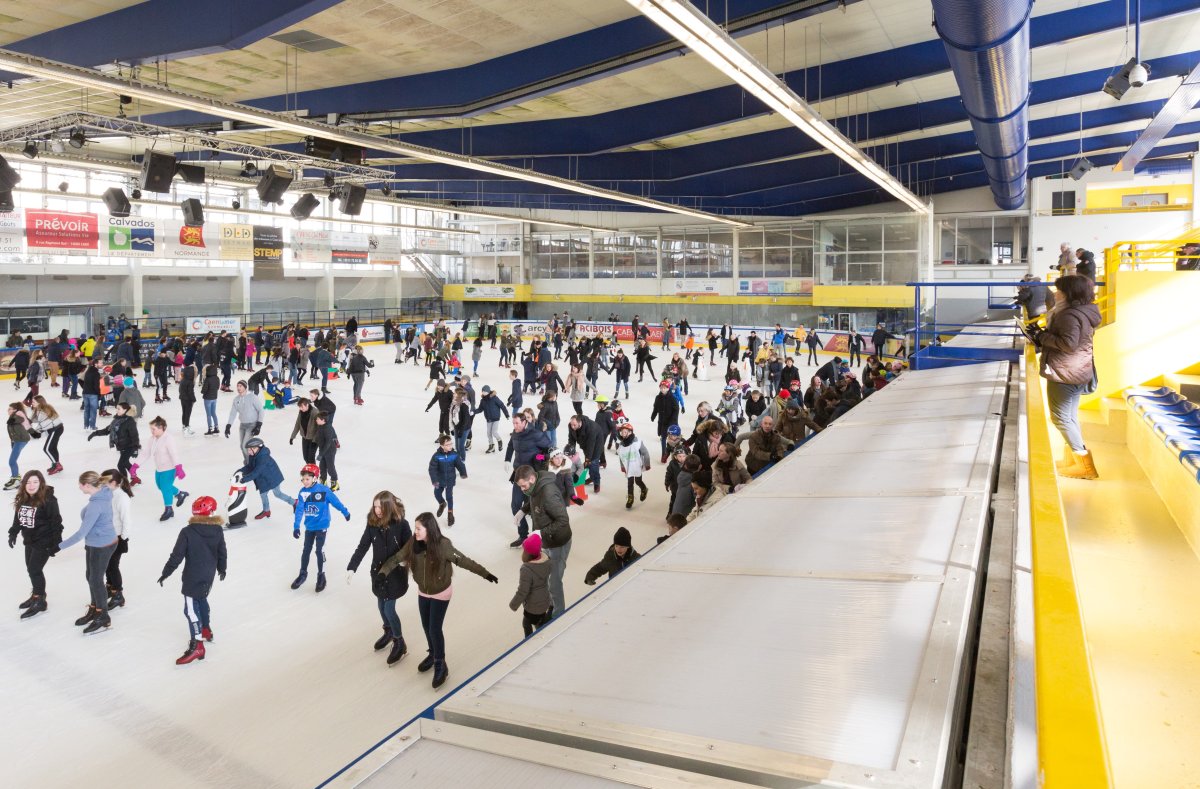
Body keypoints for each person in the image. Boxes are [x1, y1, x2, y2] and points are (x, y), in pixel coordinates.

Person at [377, 511, 497, 689]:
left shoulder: (443, 545)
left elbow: (463, 561)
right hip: (424, 592)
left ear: (429, 529)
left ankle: (441, 664)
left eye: (419, 528)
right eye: (415, 528)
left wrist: (485, 573)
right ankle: (433, 654)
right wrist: (382, 573)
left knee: (434, 628)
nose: (415, 532)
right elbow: (396, 558)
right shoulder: (413, 544)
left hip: (441, 593)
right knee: (426, 626)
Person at [1038, 275, 1102, 480]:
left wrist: (1041, 337)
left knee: (1061, 418)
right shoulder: (1084, 312)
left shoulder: (1068, 315)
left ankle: (1084, 466)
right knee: (1070, 417)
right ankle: (1074, 460)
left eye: (1059, 291)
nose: (1056, 294)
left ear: (1069, 294)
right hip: (1078, 371)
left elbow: (1068, 344)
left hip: (1066, 372)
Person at [158, 495, 227, 665]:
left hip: (192, 577)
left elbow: (177, 556)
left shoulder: (187, 532)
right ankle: (206, 629)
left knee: (190, 610)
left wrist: (166, 572)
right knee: (201, 599)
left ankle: (198, 646)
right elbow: (222, 552)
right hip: (208, 575)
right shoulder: (218, 530)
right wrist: (222, 569)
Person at [346, 491, 412, 666]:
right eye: (375, 506)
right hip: (378, 574)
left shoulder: (402, 525)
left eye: (380, 507)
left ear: (388, 507)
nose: (377, 510)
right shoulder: (372, 524)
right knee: (381, 606)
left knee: (389, 609)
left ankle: (400, 642)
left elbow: (410, 548)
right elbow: (363, 547)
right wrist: (352, 567)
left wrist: (408, 561)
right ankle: (389, 631)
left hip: (395, 574)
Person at [58, 470, 118, 634]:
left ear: (88, 485)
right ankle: (95, 607)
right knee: (90, 576)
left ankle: (103, 615)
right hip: (96, 542)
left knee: (96, 579)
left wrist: (59, 546)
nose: (79, 486)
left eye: (81, 484)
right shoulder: (103, 492)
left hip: (102, 545)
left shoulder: (96, 505)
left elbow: (80, 534)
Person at [514, 464, 572, 619]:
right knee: (546, 578)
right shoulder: (535, 488)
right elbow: (535, 501)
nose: (522, 489)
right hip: (545, 541)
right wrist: (523, 510)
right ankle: (551, 606)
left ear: (532, 479)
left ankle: (558, 614)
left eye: (523, 486)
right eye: (520, 487)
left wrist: (541, 532)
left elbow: (563, 520)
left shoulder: (547, 493)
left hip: (558, 542)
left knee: (554, 581)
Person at [8, 470, 63, 619]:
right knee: (30, 569)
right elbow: (18, 517)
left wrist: (56, 543)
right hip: (29, 540)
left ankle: (40, 601)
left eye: (35, 482)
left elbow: (56, 522)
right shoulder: (23, 498)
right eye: (28, 482)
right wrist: (13, 532)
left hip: (44, 541)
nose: (31, 485)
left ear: (41, 483)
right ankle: (37, 595)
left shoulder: (49, 500)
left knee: (34, 570)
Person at [292, 463, 351, 591]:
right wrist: (296, 526)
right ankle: (303, 574)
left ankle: (321, 576)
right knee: (306, 550)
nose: (304, 481)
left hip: (322, 526)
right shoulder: (303, 492)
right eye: (303, 479)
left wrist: (345, 512)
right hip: (310, 526)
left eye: (307, 479)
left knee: (319, 551)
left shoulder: (323, 491)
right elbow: (299, 510)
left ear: (315, 478)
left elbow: (336, 502)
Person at [504, 411, 552, 547]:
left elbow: (550, 450)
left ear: (525, 422)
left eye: (517, 423)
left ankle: (536, 537)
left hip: (531, 477)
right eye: (513, 423)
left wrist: (540, 458)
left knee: (533, 508)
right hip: (518, 474)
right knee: (515, 505)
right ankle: (523, 535)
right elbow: (510, 445)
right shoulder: (515, 433)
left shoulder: (535, 434)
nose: (515, 426)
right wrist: (507, 459)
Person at [237, 437, 293, 520]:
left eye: (249, 449)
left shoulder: (263, 458)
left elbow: (256, 472)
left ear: (256, 448)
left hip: (273, 477)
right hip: (264, 478)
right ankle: (266, 511)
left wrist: (244, 479)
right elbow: (250, 466)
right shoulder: (253, 455)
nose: (248, 452)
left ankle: (295, 502)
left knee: (277, 494)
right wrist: (240, 471)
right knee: (263, 494)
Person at [510, 532, 553, 637]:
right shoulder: (547, 561)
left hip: (533, 606)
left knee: (527, 623)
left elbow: (523, 591)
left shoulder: (527, 569)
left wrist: (513, 604)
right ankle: (542, 627)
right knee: (539, 619)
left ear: (528, 553)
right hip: (545, 600)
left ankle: (530, 641)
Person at [147, 416, 188, 522]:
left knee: (165, 488)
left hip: (170, 468)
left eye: (153, 429)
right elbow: (146, 452)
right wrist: (136, 465)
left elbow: (174, 454)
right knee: (161, 487)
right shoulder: (153, 439)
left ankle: (169, 509)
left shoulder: (168, 438)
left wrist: (178, 467)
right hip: (159, 469)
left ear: (162, 428)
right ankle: (180, 493)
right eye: (151, 429)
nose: (151, 431)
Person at [429, 434, 467, 527]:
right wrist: (434, 480)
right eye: (448, 444)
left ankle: (450, 514)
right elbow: (432, 469)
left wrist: (463, 472)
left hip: (450, 480)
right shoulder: (436, 456)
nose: (450, 446)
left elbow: (460, 465)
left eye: (451, 444)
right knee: (437, 494)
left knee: (449, 497)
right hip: (439, 480)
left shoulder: (454, 455)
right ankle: (442, 503)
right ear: (442, 446)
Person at [224, 381, 264, 463]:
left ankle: (250, 463)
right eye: (237, 386)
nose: (238, 388)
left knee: (245, 445)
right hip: (242, 426)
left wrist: (259, 425)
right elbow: (233, 413)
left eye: (240, 386)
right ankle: (248, 462)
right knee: (242, 446)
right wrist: (228, 426)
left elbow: (261, 410)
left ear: (245, 387)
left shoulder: (252, 397)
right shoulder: (236, 399)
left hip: (252, 424)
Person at [614, 421, 651, 509]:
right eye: (622, 432)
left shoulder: (637, 442)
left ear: (630, 432)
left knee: (638, 481)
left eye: (625, 432)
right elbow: (621, 457)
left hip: (637, 465)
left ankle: (644, 489)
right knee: (630, 483)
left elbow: (645, 452)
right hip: (628, 467)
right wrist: (622, 467)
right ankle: (630, 498)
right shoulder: (621, 446)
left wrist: (647, 463)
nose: (623, 434)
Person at [28, 396, 64, 476]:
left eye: (34, 402)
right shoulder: (40, 409)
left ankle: (57, 465)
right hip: (57, 428)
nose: (32, 403)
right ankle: (55, 464)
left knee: (47, 449)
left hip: (55, 429)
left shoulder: (42, 411)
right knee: (52, 448)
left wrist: (34, 432)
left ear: (39, 403)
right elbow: (34, 419)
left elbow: (42, 424)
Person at [5, 402, 32, 491]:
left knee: (12, 461)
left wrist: (14, 417)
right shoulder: (12, 417)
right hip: (17, 440)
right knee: (13, 461)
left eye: (10, 408)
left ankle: (16, 480)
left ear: (15, 410)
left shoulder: (17, 416)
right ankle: (15, 477)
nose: (8, 410)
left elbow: (20, 418)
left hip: (21, 440)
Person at [314, 410, 340, 491]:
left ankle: (335, 483)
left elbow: (328, 443)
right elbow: (334, 434)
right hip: (323, 449)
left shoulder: (327, 428)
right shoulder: (321, 426)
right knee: (322, 467)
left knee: (330, 467)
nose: (316, 420)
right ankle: (323, 482)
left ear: (323, 420)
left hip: (329, 450)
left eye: (318, 419)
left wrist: (321, 454)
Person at [200, 364, 220, 436]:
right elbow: (218, 387)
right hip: (214, 398)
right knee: (213, 413)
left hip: (208, 399)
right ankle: (216, 428)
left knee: (208, 414)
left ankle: (210, 429)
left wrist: (202, 391)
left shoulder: (207, 379)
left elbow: (204, 390)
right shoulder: (217, 378)